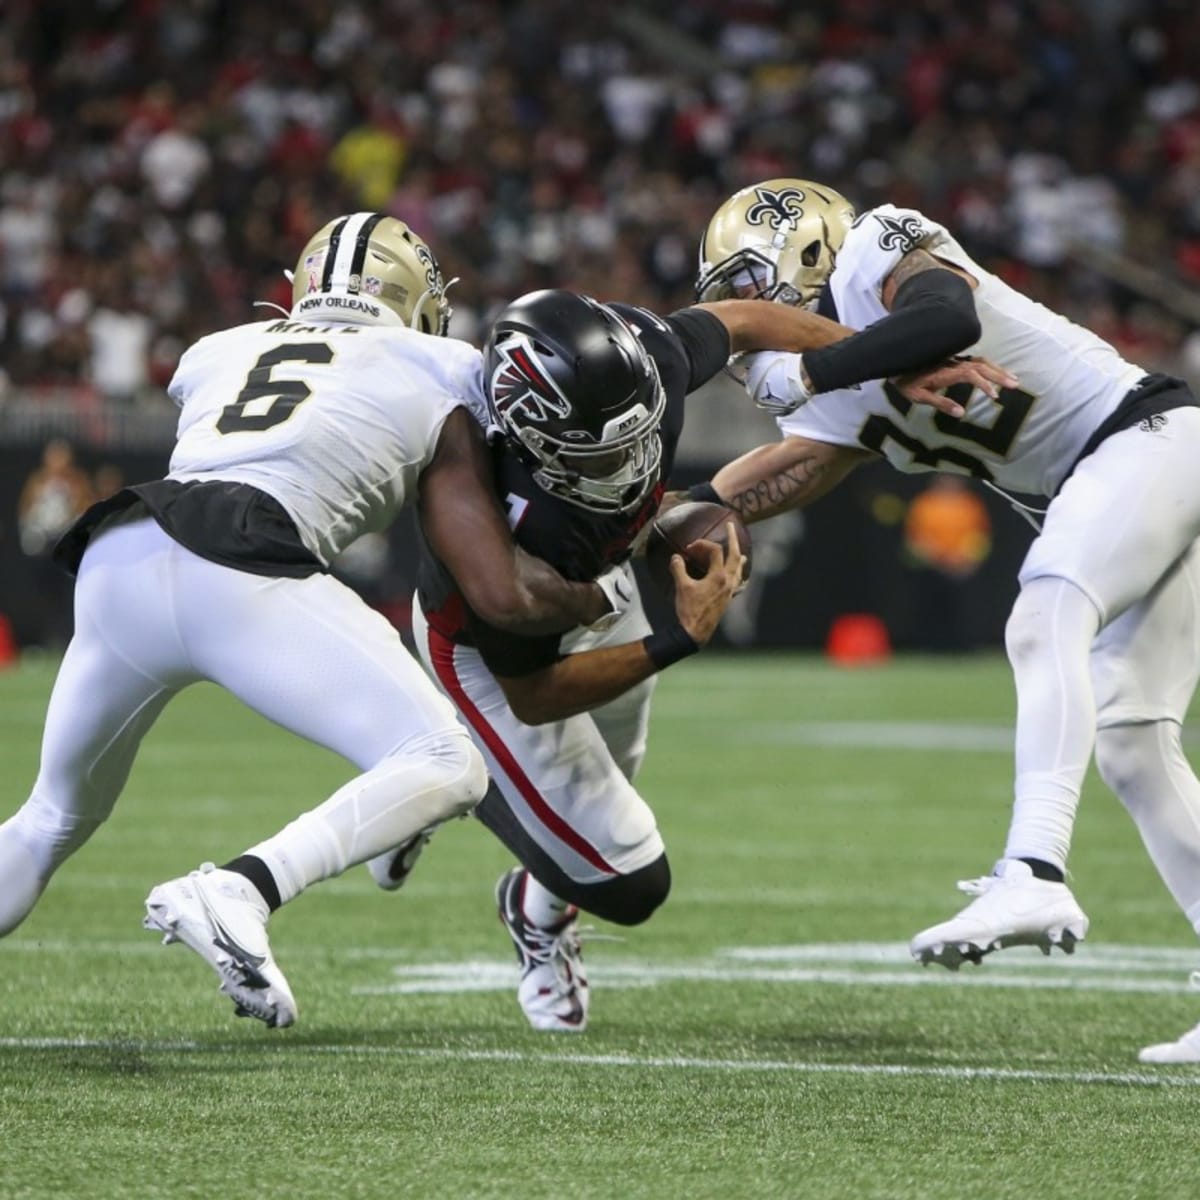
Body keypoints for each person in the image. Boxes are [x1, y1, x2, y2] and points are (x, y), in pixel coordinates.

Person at [0, 213, 624, 1030]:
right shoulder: (447, 365)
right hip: (242, 565)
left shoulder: (214, 351)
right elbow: (485, 554)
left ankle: (380, 822)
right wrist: (593, 593)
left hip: (123, 553)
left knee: (50, 816)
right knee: (449, 761)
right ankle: (238, 888)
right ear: (418, 300)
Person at [371, 287, 997, 1032]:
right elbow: (535, 693)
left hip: (597, 587)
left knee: (619, 764)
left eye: (636, 435)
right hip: (491, 655)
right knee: (628, 881)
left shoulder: (649, 360)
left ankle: (533, 907)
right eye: (603, 447)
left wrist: (872, 364)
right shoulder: (498, 515)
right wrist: (678, 639)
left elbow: (743, 318)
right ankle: (441, 767)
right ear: (528, 435)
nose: (630, 460)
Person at [688, 177, 1200, 1062]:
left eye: (746, 281)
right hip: (1135, 475)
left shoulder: (878, 245)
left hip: (1147, 439)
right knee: (1131, 739)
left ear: (803, 248)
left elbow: (942, 321)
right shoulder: (844, 364)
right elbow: (794, 467)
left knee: (1044, 619)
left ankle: (1033, 872)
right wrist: (664, 516)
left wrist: (812, 365)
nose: (743, 310)